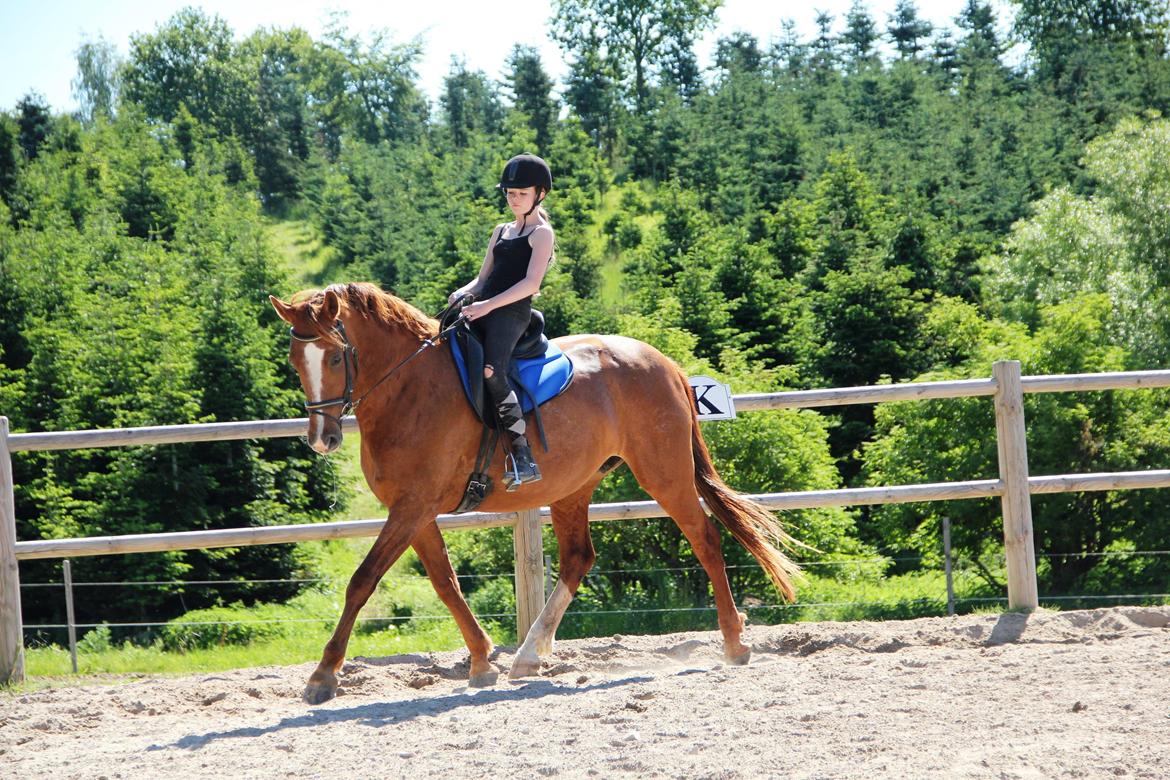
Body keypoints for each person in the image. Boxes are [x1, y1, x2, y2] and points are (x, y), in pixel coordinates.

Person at [448, 153, 555, 490]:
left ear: (540, 194)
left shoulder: (542, 234)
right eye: (509, 193)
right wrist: (460, 294)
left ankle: (522, 454)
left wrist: (488, 306)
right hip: (484, 304)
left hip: (511, 312)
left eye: (520, 194)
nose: (513, 199)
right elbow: (481, 280)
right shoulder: (501, 231)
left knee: (493, 371)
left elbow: (530, 284)